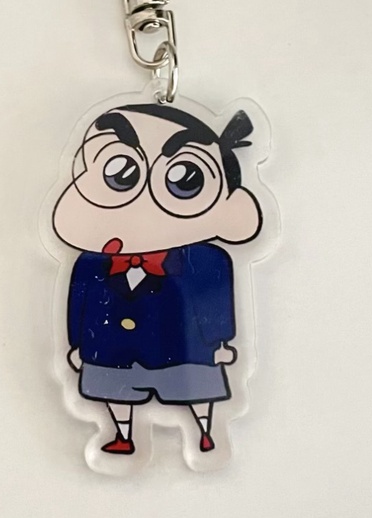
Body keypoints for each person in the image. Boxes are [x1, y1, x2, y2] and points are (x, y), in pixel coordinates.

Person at [52, 103, 263, 455]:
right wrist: (76, 344)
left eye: (185, 180)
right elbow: (78, 305)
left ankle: (205, 432)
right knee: (115, 389)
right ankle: (123, 435)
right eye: (120, 173)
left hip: (183, 349)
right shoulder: (89, 263)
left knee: (196, 388)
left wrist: (221, 341)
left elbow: (216, 302)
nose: (144, 201)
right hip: (110, 348)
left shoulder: (206, 260)